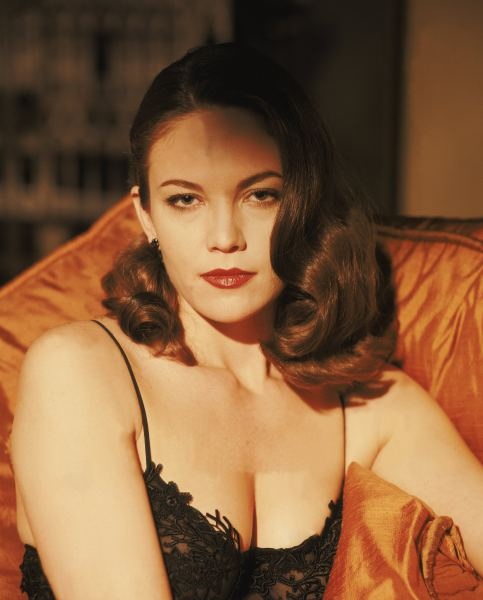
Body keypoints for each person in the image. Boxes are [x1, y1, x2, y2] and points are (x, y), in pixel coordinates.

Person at [10, 43, 483, 600]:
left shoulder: (367, 406)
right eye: (185, 200)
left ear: (305, 203)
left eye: (260, 195)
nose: (224, 237)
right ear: (146, 215)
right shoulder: (79, 373)